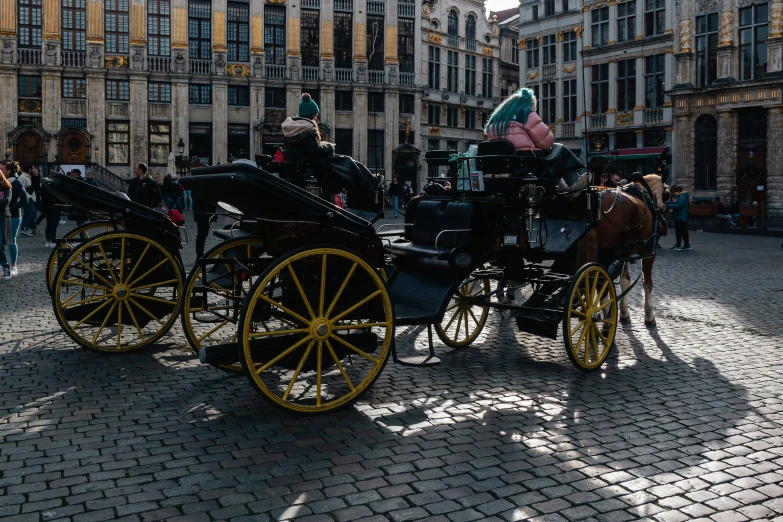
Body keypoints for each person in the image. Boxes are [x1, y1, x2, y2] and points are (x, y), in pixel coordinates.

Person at [485, 87, 588, 193]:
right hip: (526, 164)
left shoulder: (494, 120)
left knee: (547, 159)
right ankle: (573, 183)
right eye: (535, 107)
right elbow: (547, 142)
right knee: (559, 150)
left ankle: (563, 187)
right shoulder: (525, 114)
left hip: (504, 165)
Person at [281, 94, 335, 160]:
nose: (316, 117)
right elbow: (314, 151)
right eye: (316, 115)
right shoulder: (309, 129)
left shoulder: (290, 128)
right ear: (313, 115)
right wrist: (329, 147)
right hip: (308, 166)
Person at [0, 160, 29, 278]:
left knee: (11, 240)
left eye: (2, 169)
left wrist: (12, 208)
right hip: (3, 215)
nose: (0, 171)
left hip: (13, 216)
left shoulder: (15, 182)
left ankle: (13, 266)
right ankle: (4, 265)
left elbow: (24, 199)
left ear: (8, 170)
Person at [667, 185, 691, 251]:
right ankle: (686, 245)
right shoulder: (682, 196)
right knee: (683, 231)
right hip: (681, 216)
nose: (674, 194)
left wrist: (667, 205)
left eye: (674, 192)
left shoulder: (681, 196)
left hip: (680, 217)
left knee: (679, 231)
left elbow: (678, 205)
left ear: (677, 191)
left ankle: (679, 245)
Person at [19, 165, 39, 236]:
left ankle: (23, 229)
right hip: (27, 197)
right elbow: (21, 188)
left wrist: (36, 176)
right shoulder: (22, 177)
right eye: (33, 168)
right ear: (29, 169)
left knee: (27, 214)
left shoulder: (30, 177)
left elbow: (37, 186)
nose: (34, 170)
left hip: (32, 197)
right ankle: (26, 228)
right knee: (33, 213)